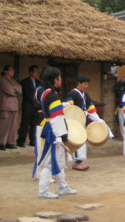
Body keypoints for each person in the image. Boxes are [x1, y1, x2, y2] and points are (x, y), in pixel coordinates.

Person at [37, 66, 77, 199]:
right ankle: (43, 190)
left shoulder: (43, 92)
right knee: (49, 162)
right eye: (59, 77)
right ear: (55, 80)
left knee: (59, 160)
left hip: (50, 128)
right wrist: (59, 136)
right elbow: (56, 118)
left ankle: (63, 186)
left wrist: (62, 105)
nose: (61, 80)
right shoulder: (53, 96)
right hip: (53, 131)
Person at [66, 75, 113, 171]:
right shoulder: (72, 94)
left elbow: (90, 109)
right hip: (75, 122)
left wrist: (98, 119)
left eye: (87, 84)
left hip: (83, 120)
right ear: (79, 83)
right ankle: (76, 162)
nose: (86, 86)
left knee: (82, 141)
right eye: (84, 84)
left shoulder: (85, 95)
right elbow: (69, 109)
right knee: (76, 142)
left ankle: (79, 162)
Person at [0, 65, 22, 150]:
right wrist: (14, 89)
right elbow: (10, 91)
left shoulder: (13, 81)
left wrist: (14, 89)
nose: (13, 72)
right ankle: (2, 143)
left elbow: (20, 89)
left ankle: (10, 142)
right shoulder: (3, 80)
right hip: (5, 106)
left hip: (14, 105)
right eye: (11, 70)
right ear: (6, 71)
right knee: (4, 125)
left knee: (13, 126)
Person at [17, 65, 41, 148]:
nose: (37, 73)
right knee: (25, 123)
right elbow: (27, 94)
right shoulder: (25, 81)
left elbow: (39, 93)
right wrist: (34, 101)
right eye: (35, 71)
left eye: (37, 71)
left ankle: (32, 140)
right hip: (27, 105)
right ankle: (21, 140)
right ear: (31, 72)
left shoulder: (38, 83)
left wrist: (37, 103)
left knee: (34, 124)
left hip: (35, 107)